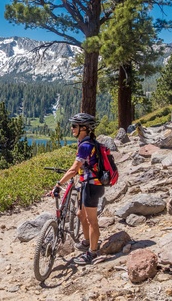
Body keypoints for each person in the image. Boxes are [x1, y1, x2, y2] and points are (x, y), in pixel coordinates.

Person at [51, 112, 104, 265]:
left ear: (84, 128)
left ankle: (92, 253)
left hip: (92, 186)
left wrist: (59, 184)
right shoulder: (85, 143)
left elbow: (74, 169)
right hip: (86, 184)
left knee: (92, 220)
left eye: (74, 126)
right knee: (81, 214)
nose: (71, 128)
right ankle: (87, 242)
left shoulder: (86, 145)